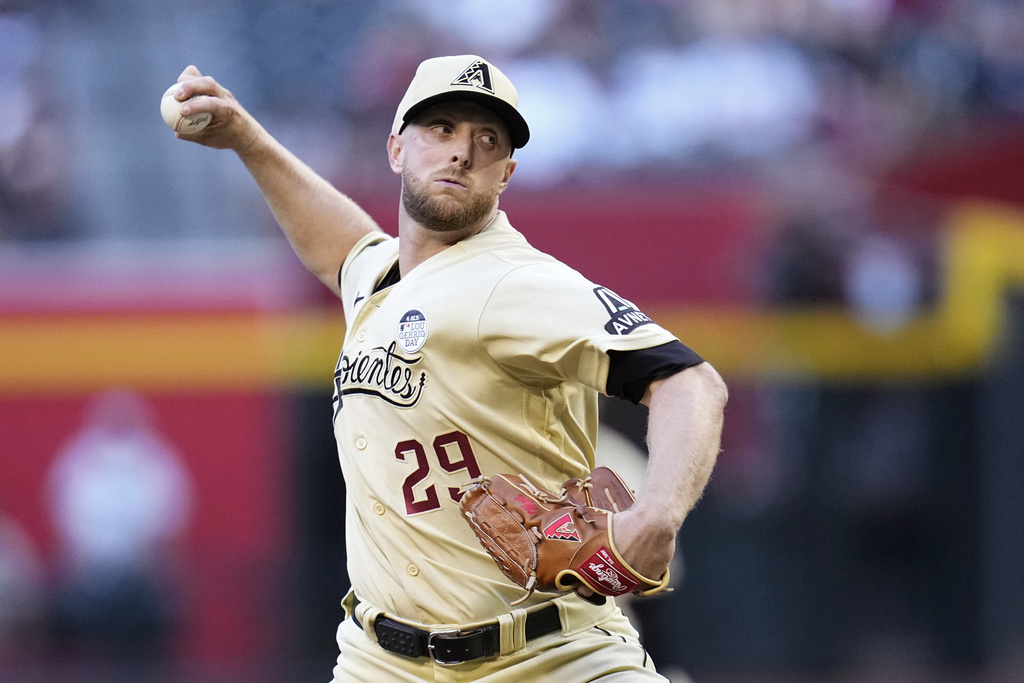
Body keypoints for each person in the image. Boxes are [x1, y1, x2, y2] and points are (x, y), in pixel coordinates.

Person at [165, 55, 727, 682]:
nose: (462, 151)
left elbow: (690, 380)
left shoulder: (520, 282)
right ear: (397, 149)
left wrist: (658, 514)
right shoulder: (379, 279)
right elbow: (343, 247)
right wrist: (246, 138)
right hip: (381, 662)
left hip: (550, 656)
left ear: (506, 173)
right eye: (441, 128)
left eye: (487, 140)